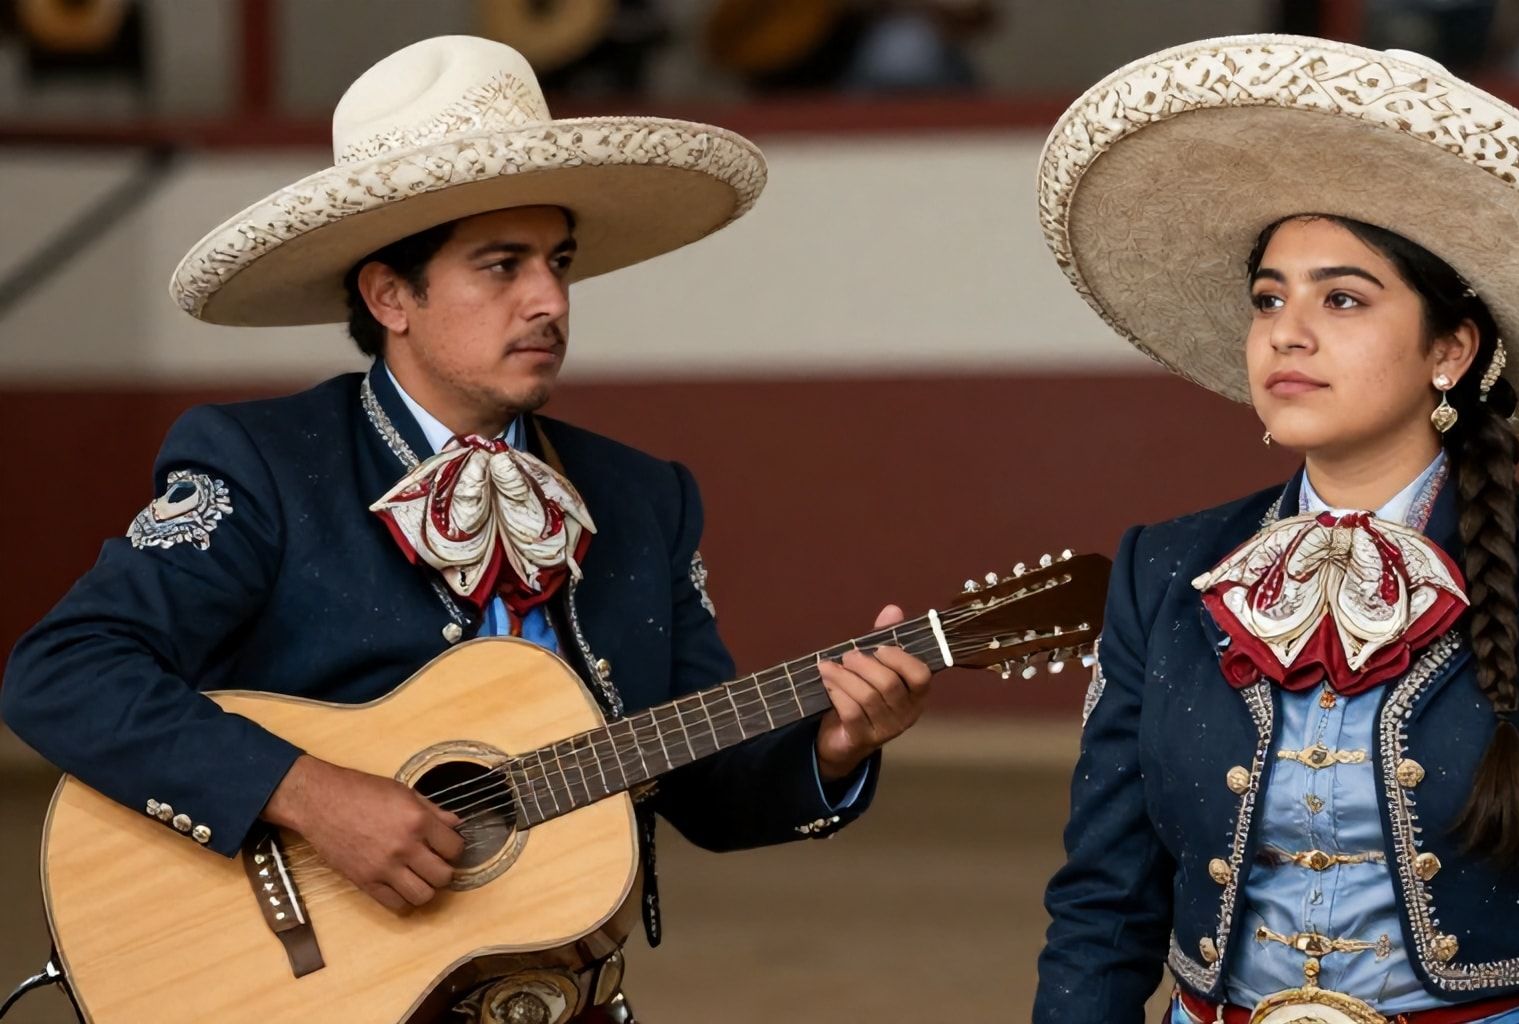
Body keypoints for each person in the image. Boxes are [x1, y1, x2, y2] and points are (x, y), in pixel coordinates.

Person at [1, 35, 931, 1023]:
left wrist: (827, 749)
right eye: (502, 266)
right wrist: (307, 791)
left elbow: (700, 779)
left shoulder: (640, 497)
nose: (550, 300)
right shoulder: (265, 464)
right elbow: (62, 671)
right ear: (389, 294)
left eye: (557, 262)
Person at [1031, 35, 1519, 1024]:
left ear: (1450, 349)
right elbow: (1102, 906)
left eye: (1341, 298)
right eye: (1269, 298)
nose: (1287, 331)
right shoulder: (1165, 569)